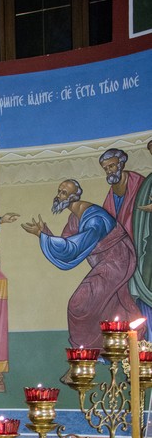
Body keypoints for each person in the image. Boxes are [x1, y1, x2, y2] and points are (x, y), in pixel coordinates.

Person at [22, 179, 144, 350]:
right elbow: (66, 244)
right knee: (113, 306)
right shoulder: (75, 218)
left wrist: (43, 237)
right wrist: (45, 233)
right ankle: (116, 349)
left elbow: (73, 248)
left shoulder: (94, 218)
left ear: (74, 197)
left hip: (117, 262)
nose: (58, 196)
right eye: (59, 191)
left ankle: (85, 351)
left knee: (78, 303)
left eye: (64, 193)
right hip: (107, 264)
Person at [100, 147, 150, 331]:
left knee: (143, 290)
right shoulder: (112, 191)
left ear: (121, 164)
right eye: (106, 168)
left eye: (112, 166)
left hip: (141, 249)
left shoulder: (139, 183)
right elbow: (108, 220)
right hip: (123, 253)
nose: (109, 171)